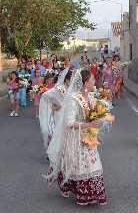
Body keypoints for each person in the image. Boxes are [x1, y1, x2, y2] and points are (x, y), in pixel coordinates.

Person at [45, 69, 110, 206]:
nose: (94, 81)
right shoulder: (73, 99)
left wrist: (96, 128)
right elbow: (69, 122)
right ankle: (75, 189)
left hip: (89, 136)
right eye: (92, 79)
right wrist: (89, 124)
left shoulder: (91, 97)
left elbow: (93, 116)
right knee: (77, 165)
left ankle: (91, 193)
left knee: (92, 164)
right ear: (85, 82)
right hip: (76, 137)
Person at [39, 69, 73, 150]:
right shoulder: (60, 89)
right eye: (72, 79)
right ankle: (52, 151)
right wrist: (52, 106)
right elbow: (45, 96)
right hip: (59, 115)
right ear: (67, 80)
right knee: (56, 134)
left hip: (68, 115)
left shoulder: (71, 89)